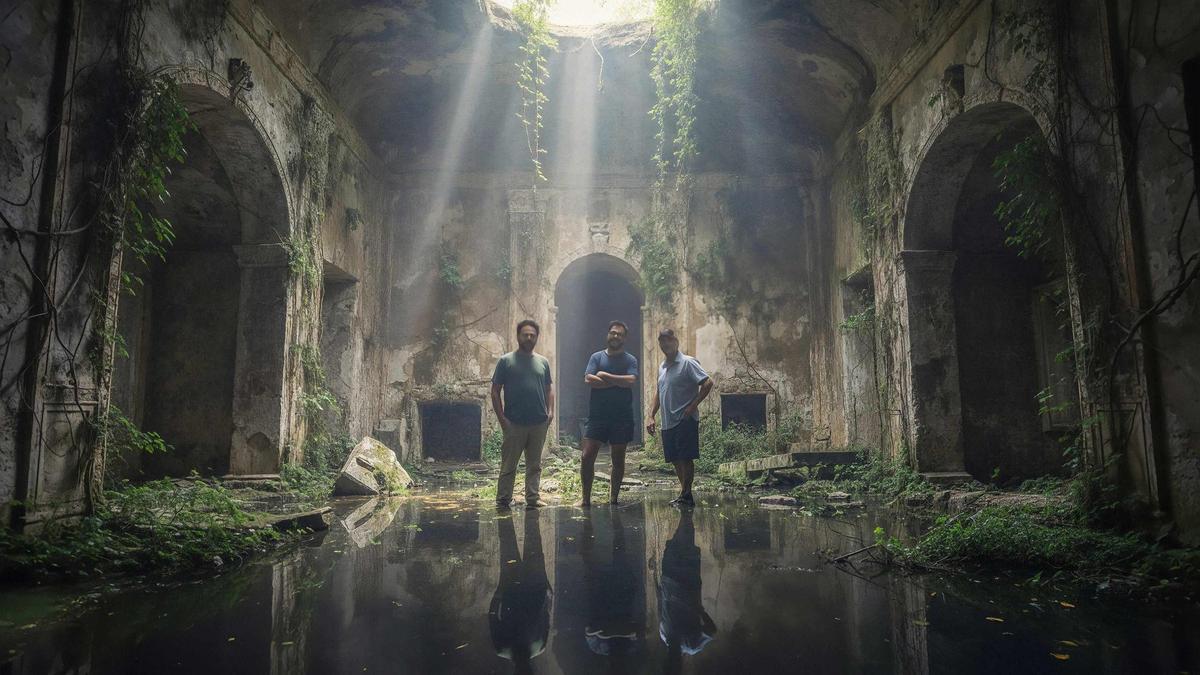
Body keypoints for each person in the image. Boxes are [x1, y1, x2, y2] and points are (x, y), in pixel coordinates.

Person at [491, 319, 554, 510]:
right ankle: (503, 500)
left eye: (532, 335)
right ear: (518, 336)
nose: (528, 338)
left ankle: (533, 498)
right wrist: (502, 419)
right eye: (525, 334)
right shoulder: (506, 361)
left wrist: (550, 413)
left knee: (534, 465)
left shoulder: (543, 362)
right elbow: (495, 391)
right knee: (509, 465)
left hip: (538, 422)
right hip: (514, 423)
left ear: (536, 338)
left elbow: (549, 388)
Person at [646, 328, 713, 507]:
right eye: (662, 341)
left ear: (676, 342)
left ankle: (686, 493)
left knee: (685, 457)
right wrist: (651, 415)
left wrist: (693, 406)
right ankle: (685, 494)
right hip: (668, 422)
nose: (665, 344)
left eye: (668, 340)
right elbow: (659, 392)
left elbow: (708, 383)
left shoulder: (687, 363)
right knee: (675, 458)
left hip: (684, 419)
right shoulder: (662, 366)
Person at [580, 320, 639, 506]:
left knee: (618, 459)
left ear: (624, 338)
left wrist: (605, 376)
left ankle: (613, 498)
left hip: (622, 417)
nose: (615, 336)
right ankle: (585, 499)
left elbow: (631, 380)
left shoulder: (630, 360)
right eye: (613, 333)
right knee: (587, 456)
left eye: (619, 334)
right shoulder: (596, 357)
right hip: (598, 416)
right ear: (608, 334)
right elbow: (589, 378)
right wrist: (616, 382)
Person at [489, 509, 552, 674]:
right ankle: (518, 510)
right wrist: (547, 594)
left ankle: (508, 510)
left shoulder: (504, 648)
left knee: (512, 542)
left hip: (515, 589)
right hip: (528, 588)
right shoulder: (538, 646)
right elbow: (545, 615)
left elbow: (493, 615)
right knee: (527, 541)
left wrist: (500, 589)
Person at [657, 508, 715, 673]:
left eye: (666, 662)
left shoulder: (664, 636)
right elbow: (711, 631)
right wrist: (699, 610)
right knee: (686, 537)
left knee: (675, 542)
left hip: (668, 578)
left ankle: (685, 508)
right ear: (679, 664)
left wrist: (660, 586)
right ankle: (687, 507)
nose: (669, 659)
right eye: (672, 664)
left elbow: (663, 609)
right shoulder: (692, 646)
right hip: (688, 581)